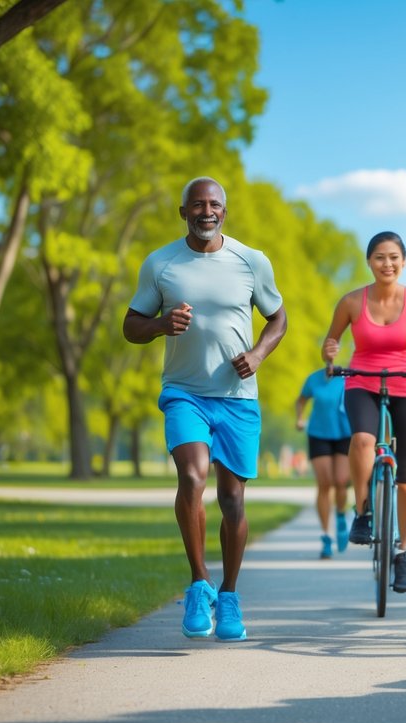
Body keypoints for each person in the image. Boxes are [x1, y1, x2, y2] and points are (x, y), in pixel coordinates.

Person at [123, 176, 287, 642]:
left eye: (214, 204)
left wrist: (258, 354)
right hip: (184, 392)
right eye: (197, 204)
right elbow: (130, 326)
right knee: (192, 477)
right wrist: (160, 324)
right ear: (184, 212)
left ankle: (229, 595)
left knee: (232, 500)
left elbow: (278, 317)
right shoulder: (161, 263)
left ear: (224, 212)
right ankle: (199, 584)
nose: (206, 211)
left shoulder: (251, 261)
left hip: (237, 397)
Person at [322, 231, 406, 594]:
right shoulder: (351, 302)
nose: (387, 264)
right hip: (361, 381)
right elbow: (330, 343)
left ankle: (402, 553)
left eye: (393, 257)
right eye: (379, 257)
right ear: (369, 262)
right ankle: (363, 512)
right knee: (362, 440)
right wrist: (330, 354)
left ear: (403, 262)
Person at [296, 366, 351, 558]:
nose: (331, 354)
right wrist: (300, 418)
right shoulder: (313, 379)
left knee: (341, 481)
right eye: (328, 351)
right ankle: (326, 536)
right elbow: (301, 400)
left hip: (344, 433)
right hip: (318, 434)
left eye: (334, 351)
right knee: (324, 483)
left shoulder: (347, 377)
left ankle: (341, 515)